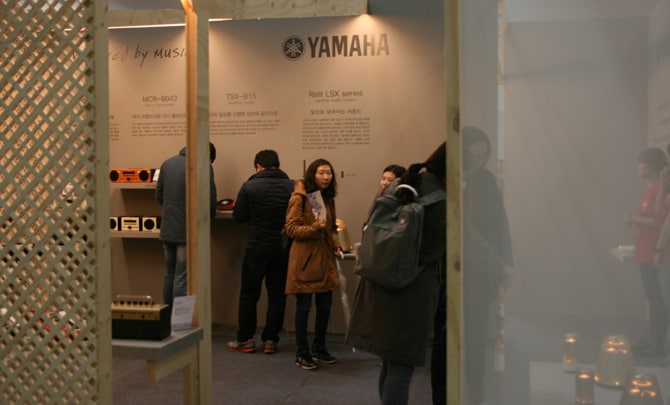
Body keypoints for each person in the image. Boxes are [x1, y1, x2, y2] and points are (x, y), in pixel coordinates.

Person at [345, 142, 446, 405]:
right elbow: (434, 249)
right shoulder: (441, 200)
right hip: (411, 291)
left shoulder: (398, 185)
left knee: (390, 365)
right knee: (402, 370)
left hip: (378, 283)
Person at [462, 126, 514, 405]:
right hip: (457, 272)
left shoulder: (486, 180)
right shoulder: (453, 181)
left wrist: (506, 262)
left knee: (476, 339)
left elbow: (500, 225)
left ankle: (476, 395)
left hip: (481, 273)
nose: (479, 160)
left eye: (484, 155)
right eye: (474, 155)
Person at [226, 150, 294, 354]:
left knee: (249, 294)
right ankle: (271, 340)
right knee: (277, 295)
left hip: (256, 246)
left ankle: (246, 339)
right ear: (278, 164)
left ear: (258, 166)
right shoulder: (291, 186)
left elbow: (239, 216)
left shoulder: (249, 186)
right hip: (282, 247)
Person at [284, 158, 343, 370]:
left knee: (325, 307)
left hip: (324, 259)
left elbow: (331, 228)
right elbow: (291, 229)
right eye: (321, 173)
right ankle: (302, 352)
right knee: (304, 307)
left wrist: (335, 243)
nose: (326, 177)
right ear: (312, 175)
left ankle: (319, 348)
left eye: (329, 173)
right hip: (305, 260)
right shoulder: (299, 198)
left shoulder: (325, 197)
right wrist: (314, 229)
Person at [155, 143, 217, 315]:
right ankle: (181, 321)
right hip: (187, 231)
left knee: (169, 273)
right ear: (209, 156)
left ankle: (168, 317)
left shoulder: (167, 163)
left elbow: (159, 196)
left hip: (168, 228)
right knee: (182, 277)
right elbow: (210, 201)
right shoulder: (203, 166)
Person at [624, 147, 669, 358]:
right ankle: (653, 338)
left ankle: (657, 343)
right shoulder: (652, 189)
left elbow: (659, 221)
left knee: (657, 300)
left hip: (655, 253)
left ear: (651, 166)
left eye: (641, 163)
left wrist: (634, 219)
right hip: (646, 252)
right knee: (653, 299)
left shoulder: (661, 189)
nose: (638, 167)